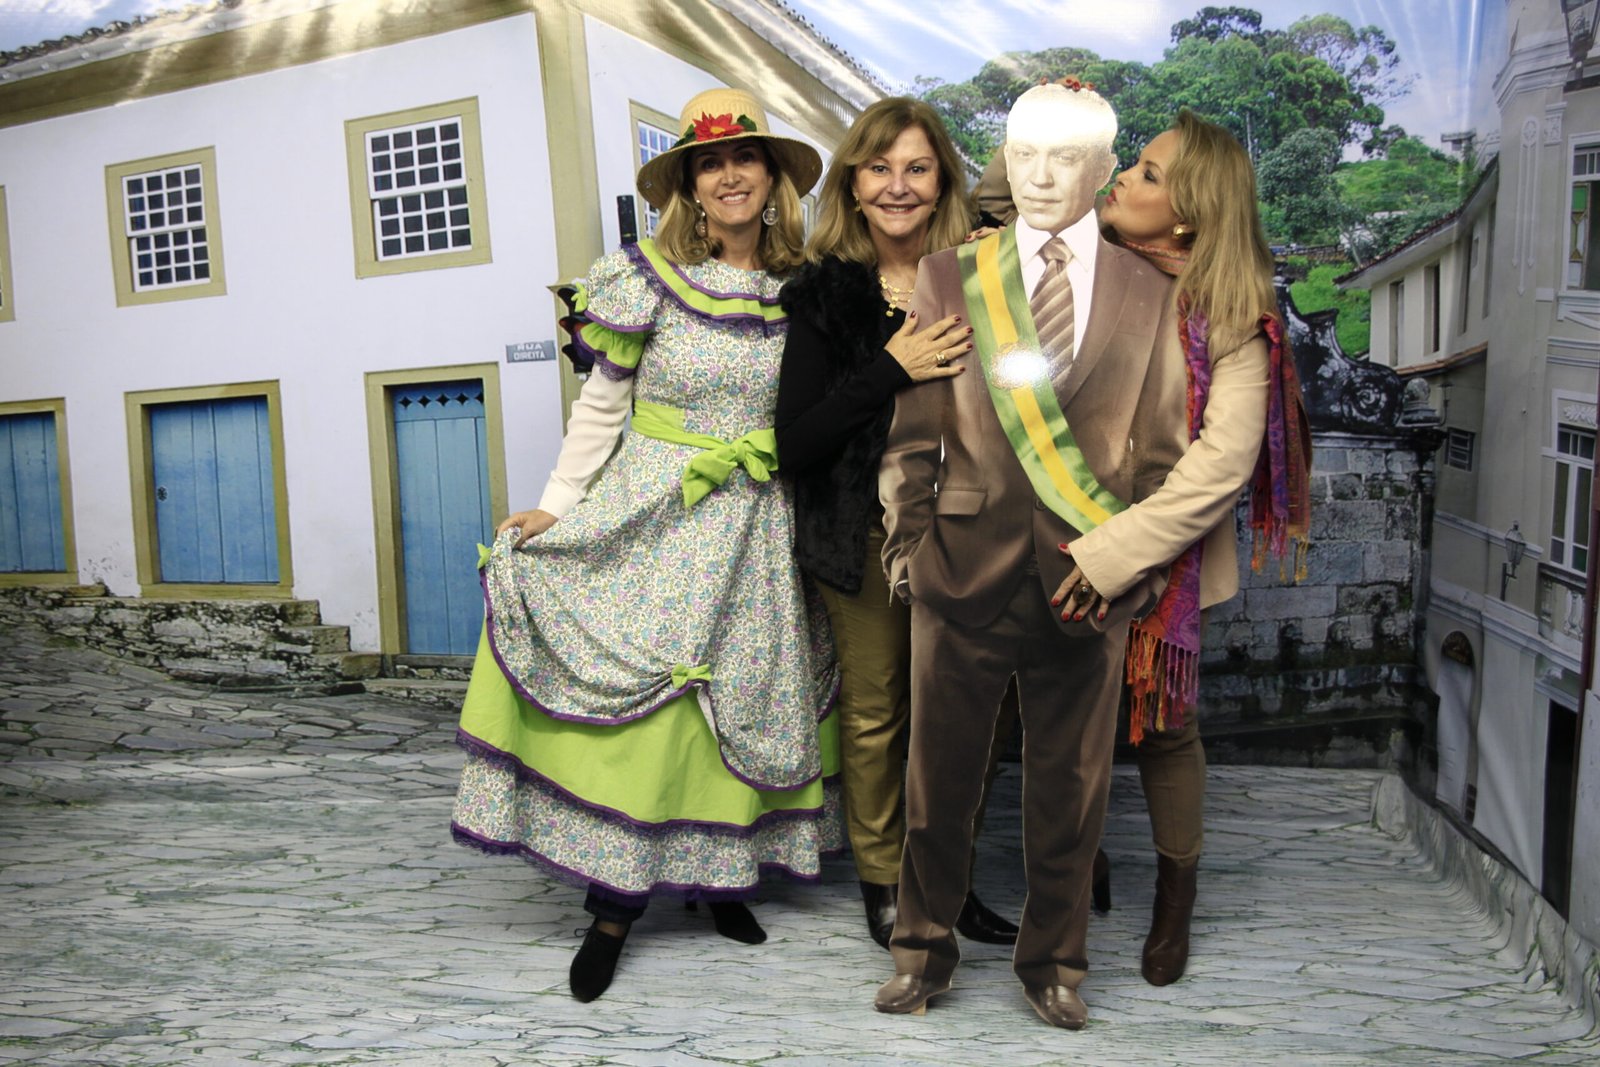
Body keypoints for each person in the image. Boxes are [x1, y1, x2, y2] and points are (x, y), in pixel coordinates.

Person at [872, 80, 1258, 1031]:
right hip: (957, 565)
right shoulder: (951, 274)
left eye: (1065, 157)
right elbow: (912, 437)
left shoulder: (1154, 294)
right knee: (936, 784)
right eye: (1023, 154)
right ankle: (920, 951)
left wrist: (1133, 571)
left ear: (1102, 169)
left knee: (1072, 791)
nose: (1039, 176)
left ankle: (1055, 964)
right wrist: (907, 551)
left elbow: (1164, 453)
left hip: (1088, 580)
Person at [449, 86, 839, 1004]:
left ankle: (720, 879)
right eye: (710, 163)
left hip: (759, 523)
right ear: (690, 187)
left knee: (734, 699)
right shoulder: (646, 277)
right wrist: (556, 507)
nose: (730, 175)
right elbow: (603, 406)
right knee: (657, 705)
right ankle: (614, 906)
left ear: (773, 177)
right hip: (656, 510)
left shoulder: (809, 290)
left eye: (746, 157)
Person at [1060, 107, 1312, 986]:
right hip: (1057, 531)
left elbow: (1221, 467)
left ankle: (1175, 897)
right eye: (1130, 164)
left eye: (1149, 174)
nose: (1124, 179)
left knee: (1165, 728)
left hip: (1150, 552)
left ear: (1190, 217)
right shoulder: (1073, 265)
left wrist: (1110, 554)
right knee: (1061, 714)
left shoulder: (1231, 314)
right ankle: (1075, 864)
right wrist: (1057, 113)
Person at [774, 97, 1018, 951]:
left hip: (974, 528)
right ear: (853, 183)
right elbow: (795, 441)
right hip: (864, 533)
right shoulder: (824, 293)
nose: (897, 186)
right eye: (879, 168)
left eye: (917, 167)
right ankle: (884, 883)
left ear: (943, 180)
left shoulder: (984, 273)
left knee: (968, 710)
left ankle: (949, 876)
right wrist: (890, 365)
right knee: (878, 714)